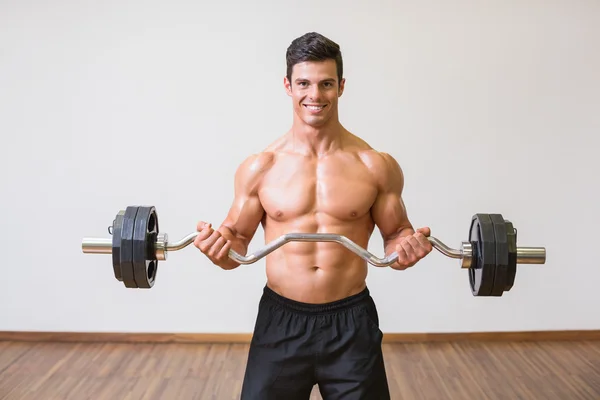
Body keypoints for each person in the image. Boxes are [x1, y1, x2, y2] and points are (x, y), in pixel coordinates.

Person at [193, 32, 433, 400]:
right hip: (281, 322)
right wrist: (217, 248)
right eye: (304, 83)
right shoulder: (262, 167)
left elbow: (396, 237)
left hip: (351, 322)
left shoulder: (374, 166)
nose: (315, 95)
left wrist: (407, 248)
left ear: (341, 86)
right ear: (288, 85)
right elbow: (235, 246)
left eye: (326, 84)